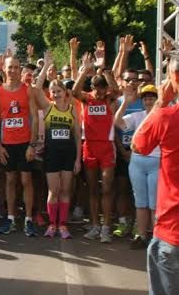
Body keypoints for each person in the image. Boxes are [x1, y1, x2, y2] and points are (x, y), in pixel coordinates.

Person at [132, 45, 179, 294]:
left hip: (174, 234)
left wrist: (160, 102)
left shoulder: (166, 116)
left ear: (175, 78)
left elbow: (138, 145)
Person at [34, 52, 81, 239]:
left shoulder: (72, 110)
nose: (55, 94)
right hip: (51, 155)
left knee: (65, 191)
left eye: (58, 91)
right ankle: (52, 224)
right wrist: (46, 66)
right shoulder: (48, 108)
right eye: (53, 91)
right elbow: (37, 89)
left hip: (68, 155)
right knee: (53, 190)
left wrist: (78, 159)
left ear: (64, 92)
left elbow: (77, 136)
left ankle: (63, 225)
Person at [73, 53, 119, 243]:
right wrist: (84, 70)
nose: (100, 92)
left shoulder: (108, 98)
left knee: (106, 187)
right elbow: (75, 91)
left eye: (102, 89)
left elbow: (116, 90)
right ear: (92, 87)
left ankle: (106, 227)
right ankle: (94, 225)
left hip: (107, 148)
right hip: (89, 147)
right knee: (92, 189)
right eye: (97, 89)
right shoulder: (86, 99)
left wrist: (105, 71)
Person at [0, 56, 39, 237]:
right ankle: (10, 218)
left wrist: (32, 145)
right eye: (10, 67)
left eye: (16, 68)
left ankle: (28, 220)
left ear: (21, 70)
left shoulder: (28, 91)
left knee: (26, 181)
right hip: (7, 145)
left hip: (25, 144)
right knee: (10, 181)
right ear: (4, 69)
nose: (13, 71)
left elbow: (34, 119)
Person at [115, 83, 159, 249]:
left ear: (157, 100)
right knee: (140, 202)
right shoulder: (138, 116)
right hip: (138, 162)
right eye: (146, 98)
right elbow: (118, 123)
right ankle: (141, 235)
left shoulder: (163, 115)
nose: (148, 101)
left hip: (157, 161)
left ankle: (156, 238)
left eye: (151, 98)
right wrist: (125, 102)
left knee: (154, 203)